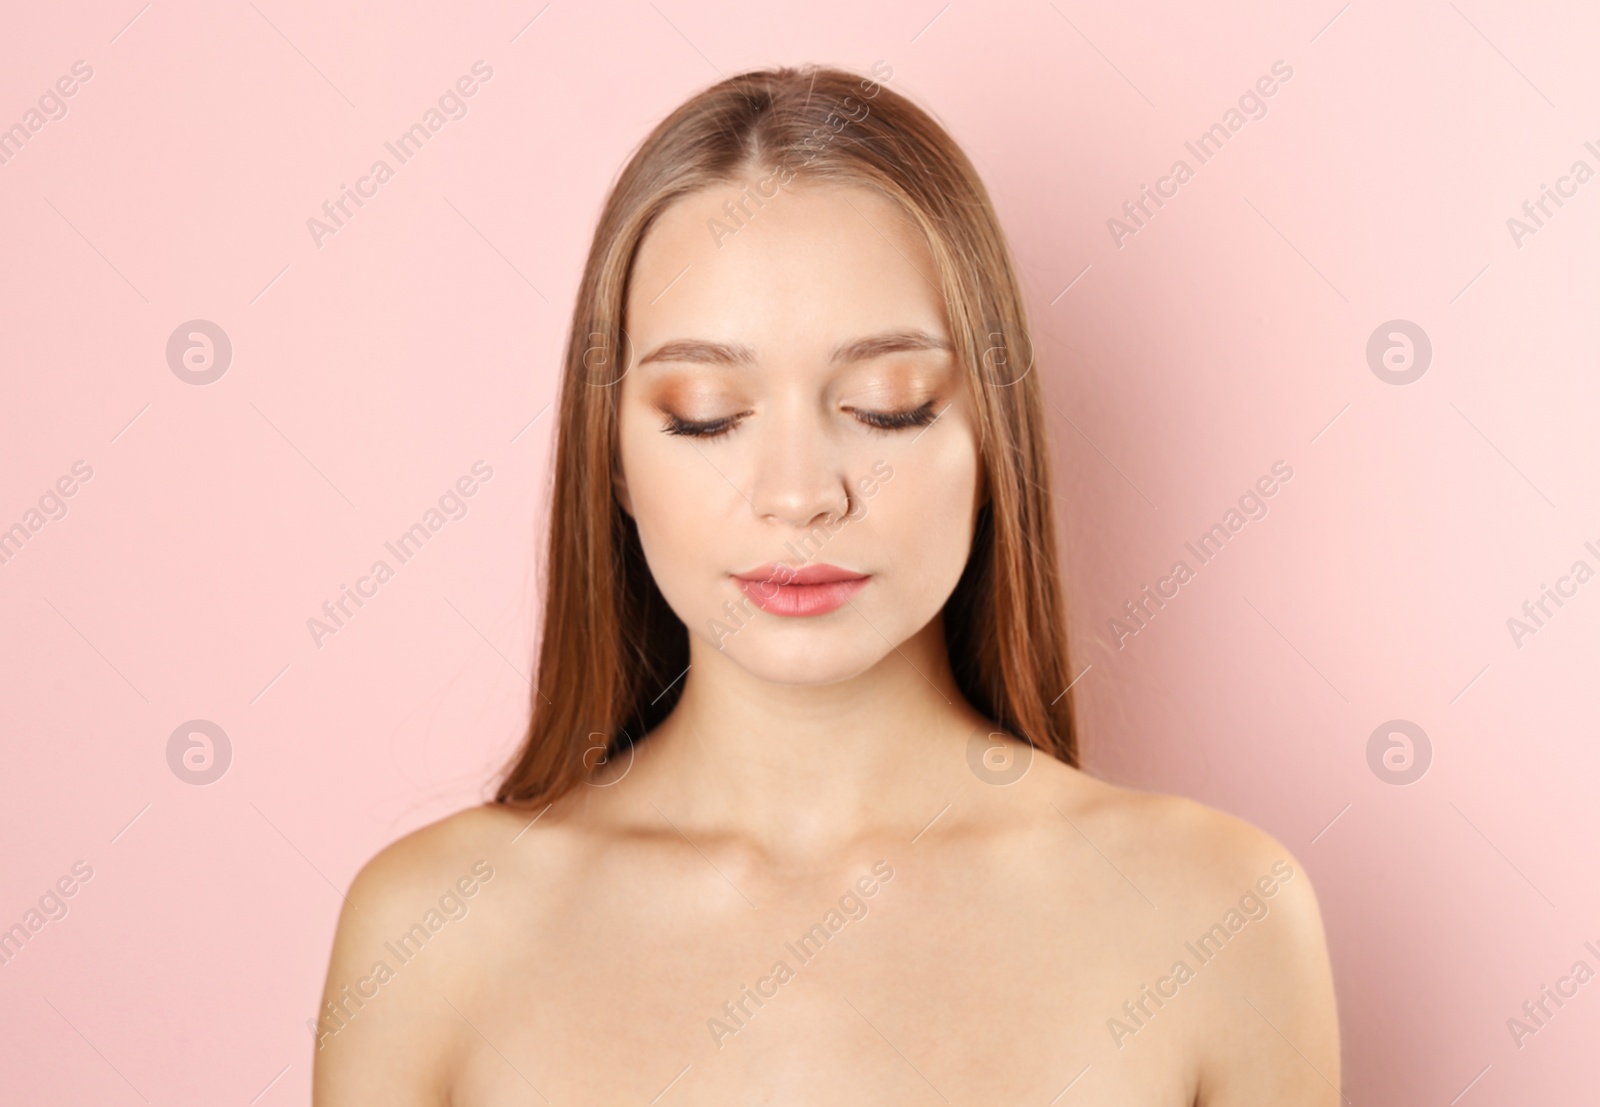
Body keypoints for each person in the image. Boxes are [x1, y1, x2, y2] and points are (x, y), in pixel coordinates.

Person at [312, 63, 1340, 1105]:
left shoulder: (1218, 918)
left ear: (992, 442)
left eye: (888, 406)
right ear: (612, 458)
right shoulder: (432, 935)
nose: (799, 496)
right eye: (707, 414)